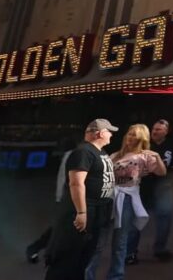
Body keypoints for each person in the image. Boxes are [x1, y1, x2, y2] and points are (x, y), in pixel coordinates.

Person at [87, 123, 166, 280]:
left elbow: (161, 172)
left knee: (120, 242)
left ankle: (116, 276)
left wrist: (156, 156)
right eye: (130, 134)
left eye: (135, 135)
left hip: (126, 199)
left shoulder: (145, 156)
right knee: (98, 241)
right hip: (107, 198)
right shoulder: (115, 155)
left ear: (141, 138)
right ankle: (87, 275)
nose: (131, 138)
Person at [44, 119, 118, 280]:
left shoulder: (100, 152)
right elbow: (76, 182)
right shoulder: (83, 152)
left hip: (97, 211)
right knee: (68, 257)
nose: (111, 134)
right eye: (109, 131)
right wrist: (81, 212)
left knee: (83, 258)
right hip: (83, 211)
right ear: (99, 133)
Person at [128, 119, 173, 264]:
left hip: (163, 190)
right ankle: (130, 253)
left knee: (164, 220)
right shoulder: (143, 144)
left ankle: (160, 249)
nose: (154, 131)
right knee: (136, 222)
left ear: (166, 131)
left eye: (158, 129)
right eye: (153, 129)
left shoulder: (171, 147)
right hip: (143, 190)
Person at [27, 136, 79, 263]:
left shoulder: (69, 156)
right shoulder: (73, 157)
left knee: (62, 227)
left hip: (67, 198)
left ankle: (39, 249)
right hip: (69, 199)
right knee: (60, 228)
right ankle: (40, 250)